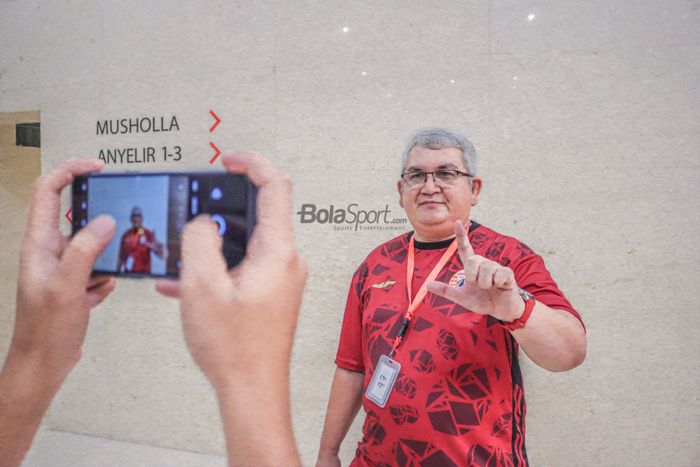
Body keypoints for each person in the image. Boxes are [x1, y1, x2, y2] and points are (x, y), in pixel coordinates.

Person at [0, 153, 306, 467]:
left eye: (136, 218)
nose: (134, 222)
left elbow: (159, 249)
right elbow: (121, 253)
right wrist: (252, 378)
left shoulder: (145, 235)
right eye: (132, 219)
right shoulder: (131, 236)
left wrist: (33, 354)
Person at [316, 128, 587, 467]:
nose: (430, 187)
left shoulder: (508, 257)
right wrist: (328, 453)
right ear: (401, 191)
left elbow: (569, 354)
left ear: (474, 189)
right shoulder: (375, 265)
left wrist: (515, 307)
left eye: (446, 173)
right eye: (417, 175)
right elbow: (351, 369)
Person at [116, 206, 165, 274]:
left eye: (138, 216)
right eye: (134, 216)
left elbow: (162, 256)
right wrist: (116, 275)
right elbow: (120, 258)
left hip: (144, 277)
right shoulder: (125, 236)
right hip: (128, 276)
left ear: (142, 219)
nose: (136, 218)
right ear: (130, 219)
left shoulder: (148, 234)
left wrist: (158, 247)